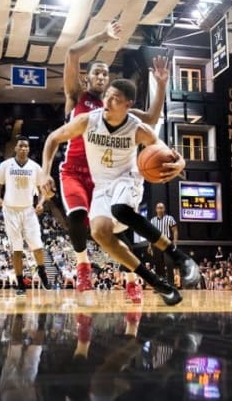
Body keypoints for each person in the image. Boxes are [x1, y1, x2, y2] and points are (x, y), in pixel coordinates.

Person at [40, 79, 188, 306]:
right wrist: (44, 173)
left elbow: (167, 152)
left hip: (127, 180)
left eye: (115, 98)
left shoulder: (136, 126)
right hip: (98, 183)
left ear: (128, 104)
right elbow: (53, 138)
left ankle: (176, 257)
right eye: (106, 95)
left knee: (120, 214)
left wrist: (180, 164)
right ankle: (154, 282)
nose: (107, 101)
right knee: (100, 232)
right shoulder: (87, 118)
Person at [61, 20, 170, 292]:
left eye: (104, 74)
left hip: (108, 175)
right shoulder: (77, 97)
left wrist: (161, 85)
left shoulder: (118, 107)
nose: (100, 77)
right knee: (76, 217)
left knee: (121, 227)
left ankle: (132, 280)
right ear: (87, 77)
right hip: (76, 169)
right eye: (96, 73)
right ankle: (83, 266)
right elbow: (73, 54)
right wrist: (102, 35)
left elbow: (153, 118)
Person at [0, 136, 51, 296]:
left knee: (37, 246)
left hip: (28, 210)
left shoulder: (35, 167)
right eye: (21, 146)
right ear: (16, 148)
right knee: (17, 249)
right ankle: (20, 283)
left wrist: (40, 203)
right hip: (10, 210)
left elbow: (42, 191)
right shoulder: (5, 165)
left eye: (26, 146)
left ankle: (42, 272)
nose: (24, 148)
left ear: (29, 149)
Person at [149, 202, 178, 284]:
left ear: (164, 209)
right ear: (156, 210)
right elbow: (150, 233)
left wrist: (175, 242)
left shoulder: (170, 218)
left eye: (161, 208)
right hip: (156, 242)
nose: (160, 209)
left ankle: (171, 284)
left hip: (167, 242)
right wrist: (150, 245)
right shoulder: (152, 220)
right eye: (158, 208)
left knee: (169, 263)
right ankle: (160, 285)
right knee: (158, 265)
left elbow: (175, 230)